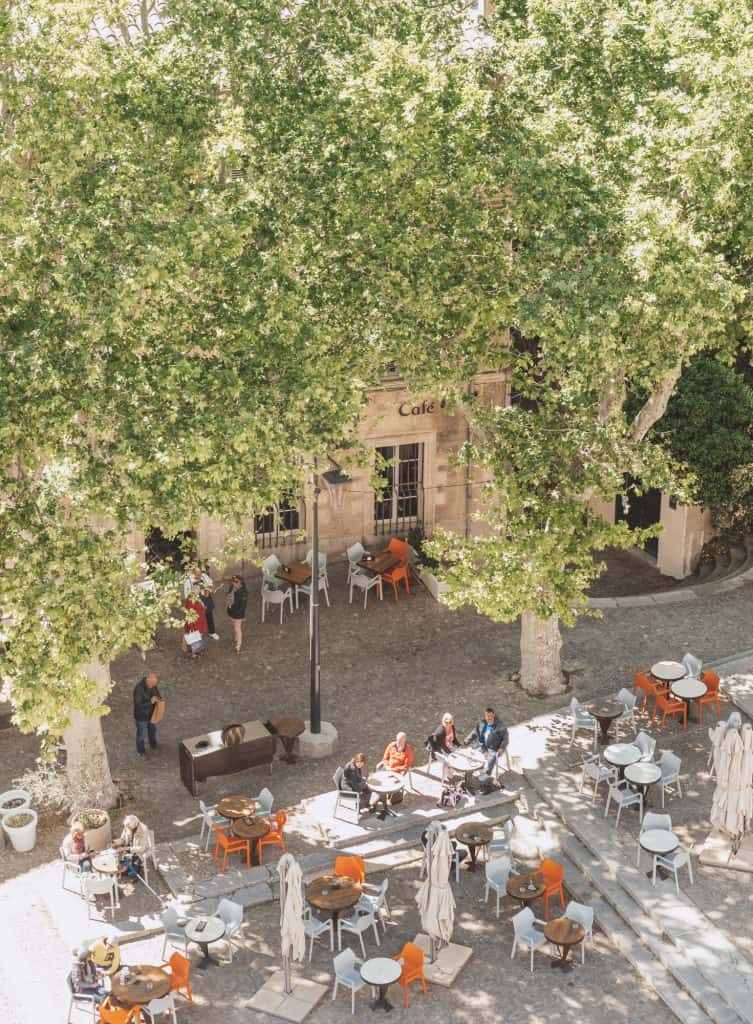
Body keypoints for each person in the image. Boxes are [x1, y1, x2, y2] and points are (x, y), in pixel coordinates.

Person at [465, 707, 509, 787]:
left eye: (490, 716)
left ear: (494, 715)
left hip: (494, 747)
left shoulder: (500, 726)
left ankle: (487, 773)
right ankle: (480, 768)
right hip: (483, 746)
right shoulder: (482, 723)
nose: (488, 718)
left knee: (491, 757)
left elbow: (505, 739)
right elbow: (474, 733)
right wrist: (466, 741)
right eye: (487, 716)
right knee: (474, 755)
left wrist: (502, 748)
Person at [184, 565, 219, 640]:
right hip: (196, 602)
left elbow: (210, 583)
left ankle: (212, 632)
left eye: (200, 574)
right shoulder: (188, 581)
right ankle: (198, 634)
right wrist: (194, 595)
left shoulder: (204, 576)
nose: (200, 576)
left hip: (206, 599)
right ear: (193, 573)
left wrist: (208, 590)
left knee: (209, 615)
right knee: (198, 619)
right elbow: (186, 595)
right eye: (197, 575)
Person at [133, 671, 162, 755]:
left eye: (154, 684)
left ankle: (154, 746)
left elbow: (158, 694)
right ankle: (141, 751)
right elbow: (138, 705)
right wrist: (151, 702)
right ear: (148, 680)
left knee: (152, 731)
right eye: (152, 684)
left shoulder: (153, 685)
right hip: (141, 717)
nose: (154, 686)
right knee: (141, 735)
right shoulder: (138, 689)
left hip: (152, 714)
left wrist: (158, 698)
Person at [226, 574, 248, 653]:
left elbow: (243, 606)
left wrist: (239, 615)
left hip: (238, 614)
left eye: (236, 582)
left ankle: (238, 645)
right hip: (231, 611)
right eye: (233, 581)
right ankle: (236, 638)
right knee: (234, 626)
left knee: (237, 628)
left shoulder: (244, 592)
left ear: (240, 582)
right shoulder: (232, 587)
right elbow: (228, 596)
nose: (233, 583)